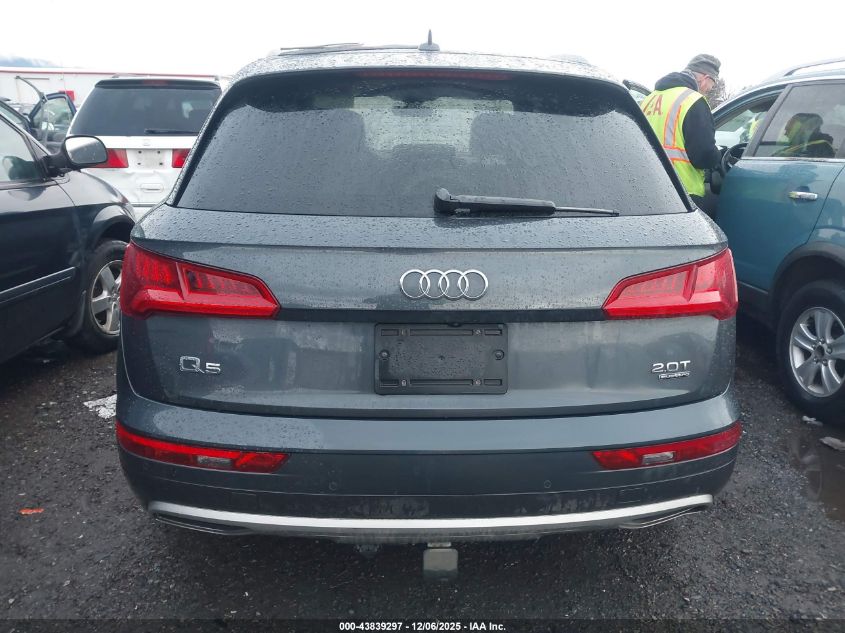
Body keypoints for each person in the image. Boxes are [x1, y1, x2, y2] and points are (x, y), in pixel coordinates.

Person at [641, 54, 722, 212]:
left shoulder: (650, 99)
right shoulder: (693, 100)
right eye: (712, 84)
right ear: (705, 78)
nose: (710, 90)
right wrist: (717, 157)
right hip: (682, 193)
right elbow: (703, 156)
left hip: (647, 186)